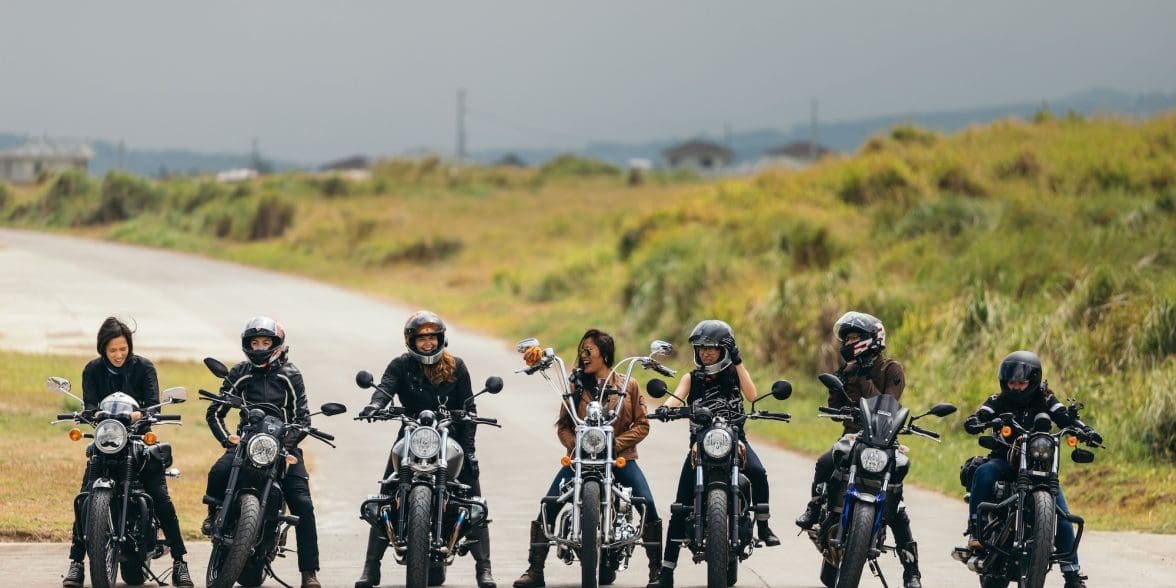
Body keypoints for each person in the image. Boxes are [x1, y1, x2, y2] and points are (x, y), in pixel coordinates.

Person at [355, 311, 497, 588]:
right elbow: (384, 389)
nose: (429, 343)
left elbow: (470, 408)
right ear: (411, 341)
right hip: (411, 435)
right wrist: (375, 406)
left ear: (441, 338)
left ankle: (484, 569)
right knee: (386, 492)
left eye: (432, 337)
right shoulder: (401, 365)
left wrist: (470, 451)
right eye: (422, 338)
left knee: (476, 500)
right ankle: (371, 568)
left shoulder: (457, 366)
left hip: (450, 438)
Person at [512, 328, 663, 588]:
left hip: (619, 459)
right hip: (581, 460)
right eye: (582, 350)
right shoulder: (575, 386)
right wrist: (575, 447)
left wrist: (615, 444)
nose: (583, 356)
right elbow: (563, 426)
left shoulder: (629, 385)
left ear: (604, 354)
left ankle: (657, 572)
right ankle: (535, 570)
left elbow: (642, 425)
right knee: (548, 504)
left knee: (646, 502)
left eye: (588, 351)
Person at [794, 311, 922, 588]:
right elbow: (836, 407)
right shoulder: (847, 369)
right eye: (847, 338)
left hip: (885, 439)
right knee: (825, 462)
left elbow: (886, 404)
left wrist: (863, 375)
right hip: (853, 436)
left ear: (871, 339)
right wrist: (841, 379)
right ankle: (815, 507)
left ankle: (911, 571)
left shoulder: (892, 369)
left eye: (854, 337)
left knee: (896, 501)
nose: (849, 342)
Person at [63, 317, 193, 588]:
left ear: (129, 347)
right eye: (113, 350)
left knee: (160, 497)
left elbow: (154, 407)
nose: (119, 355)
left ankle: (180, 562)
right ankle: (76, 563)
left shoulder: (143, 367)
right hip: (107, 443)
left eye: (123, 349)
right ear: (103, 349)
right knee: (85, 497)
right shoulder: (93, 370)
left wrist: (140, 415)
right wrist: (92, 413)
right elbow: (88, 406)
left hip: (137, 442)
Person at [651, 319, 778, 588]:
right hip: (701, 442)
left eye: (712, 348)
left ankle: (764, 527)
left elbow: (752, 395)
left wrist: (738, 359)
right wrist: (666, 408)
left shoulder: (734, 372)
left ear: (725, 350)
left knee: (758, 472)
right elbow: (676, 398)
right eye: (701, 348)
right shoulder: (692, 377)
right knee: (679, 505)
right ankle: (666, 572)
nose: (706, 353)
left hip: (735, 438)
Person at [961, 351, 1100, 588]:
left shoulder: (1046, 398)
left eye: (1021, 382)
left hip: (1040, 466)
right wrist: (978, 421)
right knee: (983, 472)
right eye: (1011, 382)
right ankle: (976, 529)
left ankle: (1072, 574)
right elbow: (982, 414)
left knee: (1062, 515)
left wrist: (1085, 430)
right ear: (1004, 382)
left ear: (1033, 381)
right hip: (1005, 460)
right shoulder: (998, 399)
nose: (1016, 387)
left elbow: (1063, 417)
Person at [203, 316, 322, 588]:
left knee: (302, 503)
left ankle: (309, 573)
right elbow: (215, 412)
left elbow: (303, 420)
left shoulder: (290, 375)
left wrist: (286, 447)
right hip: (246, 444)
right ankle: (212, 516)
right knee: (219, 470)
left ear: (277, 344)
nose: (259, 347)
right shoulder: (240, 373)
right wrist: (228, 440)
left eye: (265, 342)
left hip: (282, 446)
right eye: (254, 343)